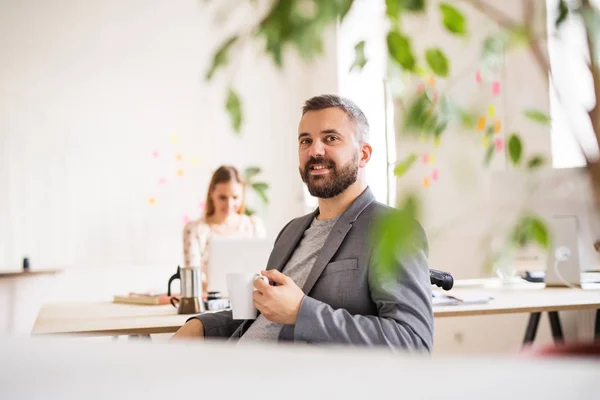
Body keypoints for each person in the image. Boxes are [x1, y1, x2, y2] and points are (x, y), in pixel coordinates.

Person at [173, 95, 433, 351]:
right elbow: (265, 313)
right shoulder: (292, 231)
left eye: (330, 138)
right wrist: (201, 325)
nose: (315, 151)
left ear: (363, 154)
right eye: (305, 141)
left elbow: (413, 342)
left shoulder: (393, 229)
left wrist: (302, 312)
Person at [183, 165, 266, 299]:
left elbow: (261, 271)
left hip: (249, 300)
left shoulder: (253, 225)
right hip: (210, 302)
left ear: (242, 196)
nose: (229, 204)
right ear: (212, 195)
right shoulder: (194, 230)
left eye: (235, 197)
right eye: (222, 197)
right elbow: (194, 278)